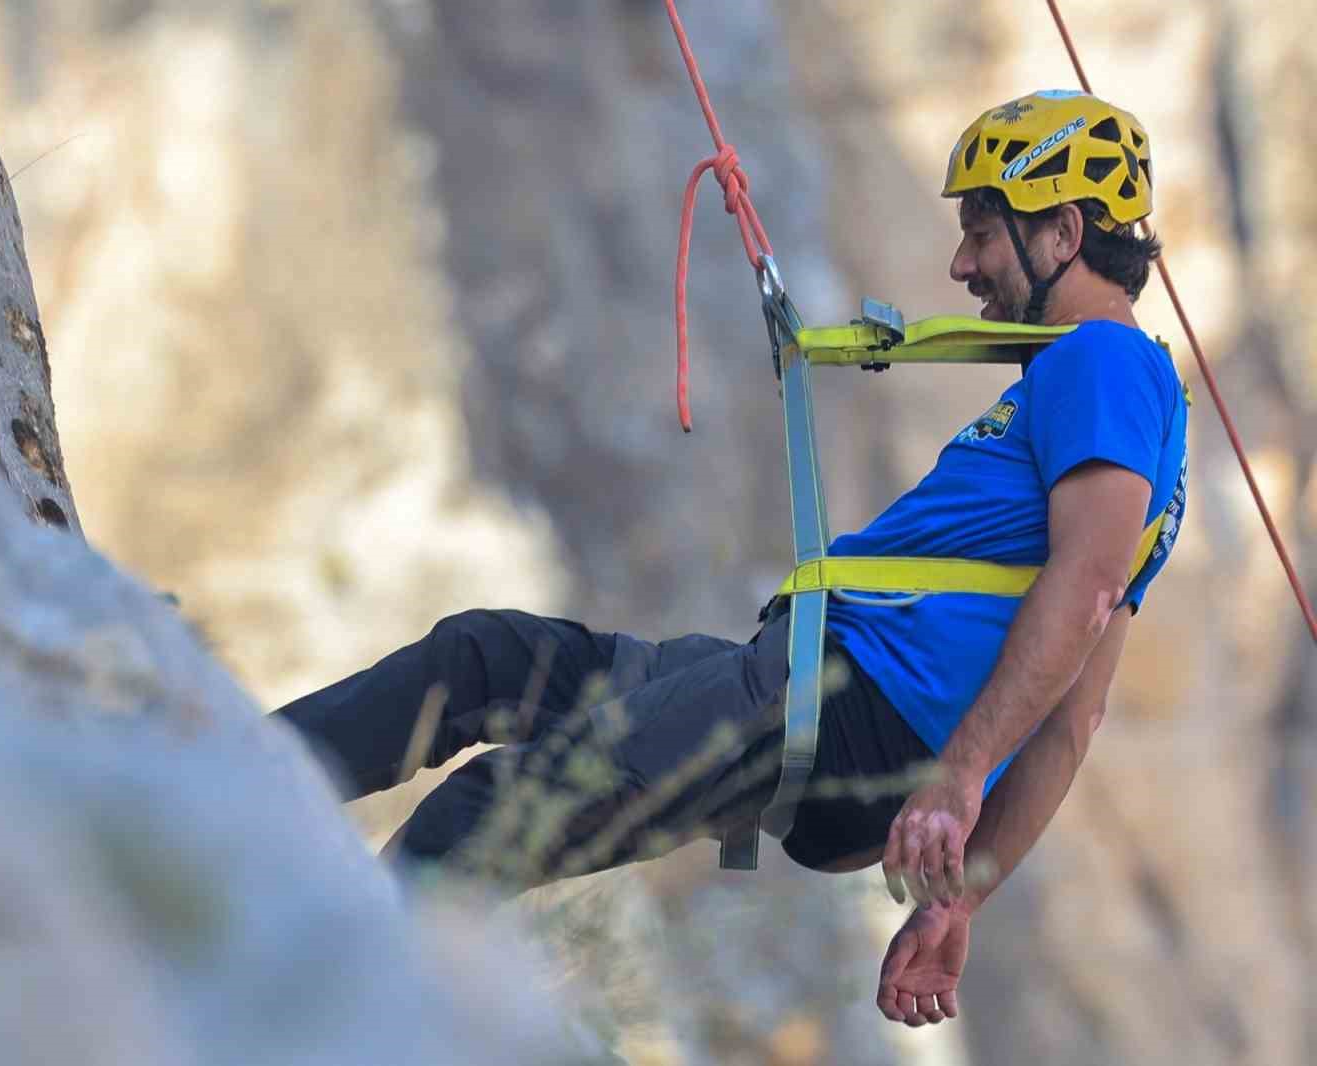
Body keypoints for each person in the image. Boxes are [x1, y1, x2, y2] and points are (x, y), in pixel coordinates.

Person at [272, 90, 1187, 1027]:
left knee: (491, 814)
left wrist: (958, 777)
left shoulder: (1101, 364)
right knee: (484, 659)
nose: (962, 264)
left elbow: (1087, 586)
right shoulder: (1136, 410)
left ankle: (311, 1013)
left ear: (1064, 231)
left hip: (844, 708)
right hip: (807, 695)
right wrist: (960, 896)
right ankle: (238, 777)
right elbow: (1079, 716)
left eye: (983, 231)